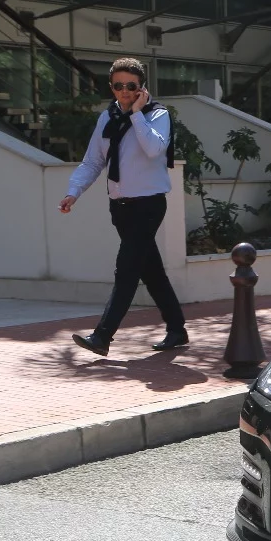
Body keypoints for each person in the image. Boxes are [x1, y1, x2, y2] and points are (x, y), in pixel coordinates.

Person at [61, 57, 187, 357]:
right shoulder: (107, 118)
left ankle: (102, 336)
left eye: (131, 86)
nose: (125, 92)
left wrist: (136, 114)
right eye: (118, 86)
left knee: (126, 269)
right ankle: (177, 328)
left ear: (142, 87)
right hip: (120, 207)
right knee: (151, 270)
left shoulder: (157, 115)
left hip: (149, 205)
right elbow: (93, 161)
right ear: (112, 87)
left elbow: (155, 149)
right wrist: (73, 192)